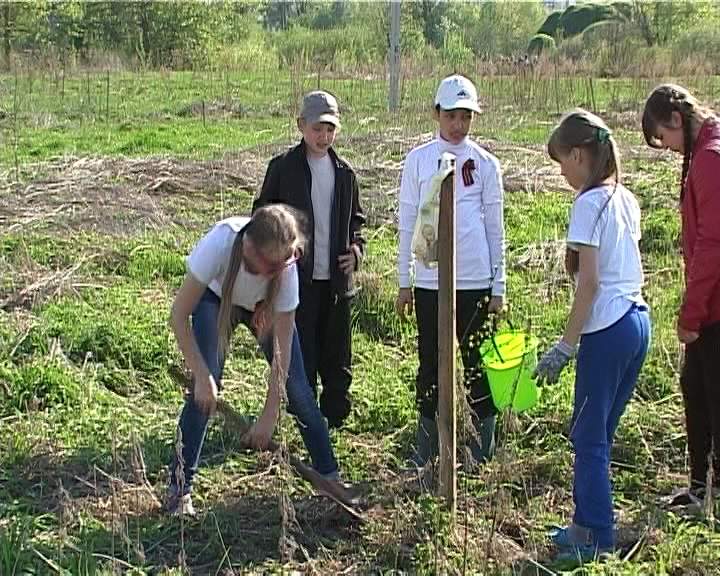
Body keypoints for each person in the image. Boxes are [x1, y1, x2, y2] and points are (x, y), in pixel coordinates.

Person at [166, 204, 340, 515]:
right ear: (250, 251)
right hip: (216, 298)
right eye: (272, 267)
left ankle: (330, 480)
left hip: (263, 307)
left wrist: (269, 413)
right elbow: (178, 316)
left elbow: (282, 353)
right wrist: (201, 373)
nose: (282, 270)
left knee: (298, 390)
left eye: (286, 263)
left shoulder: (285, 268)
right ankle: (179, 491)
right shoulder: (219, 245)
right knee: (204, 393)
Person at [535, 109, 651, 561]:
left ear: (579, 155)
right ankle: (584, 525)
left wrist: (565, 346)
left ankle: (598, 538)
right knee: (598, 431)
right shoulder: (624, 196)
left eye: (561, 161)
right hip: (637, 322)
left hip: (607, 329)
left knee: (589, 437)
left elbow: (590, 283)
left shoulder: (588, 203)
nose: (561, 171)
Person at [395, 74, 506, 466]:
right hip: (429, 279)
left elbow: (495, 225)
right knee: (430, 362)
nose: (458, 125)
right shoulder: (419, 160)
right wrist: (403, 280)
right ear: (436, 114)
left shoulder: (487, 163)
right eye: (452, 116)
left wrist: (499, 286)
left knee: (478, 363)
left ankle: (480, 450)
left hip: (475, 278)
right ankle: (426, 447)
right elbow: (407, 221)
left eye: (466, 117)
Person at [253, 90, 365, 430]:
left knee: (337, 358)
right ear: (301, 126)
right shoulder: (284, 169)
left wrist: (356, 250)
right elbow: (261, 216)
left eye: (330, 129)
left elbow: (357, 221)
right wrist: (279, 252)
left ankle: (335, 424)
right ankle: (304, 420)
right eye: (317, 128)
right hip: (295, 283)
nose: (324, 136)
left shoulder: (345, 174)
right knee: (303, 356)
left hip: (335, 285)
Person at [642, 84, 720, 504]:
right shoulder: (704, 151)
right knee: (696, 389)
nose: (666, 147)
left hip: (714, 306)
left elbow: (713, 244)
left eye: (663, 137)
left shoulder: (709, 159)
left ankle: (711, 495)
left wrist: (692, 313)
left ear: (676, 119)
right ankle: (699, 489)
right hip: (709, 303)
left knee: (712, 396)